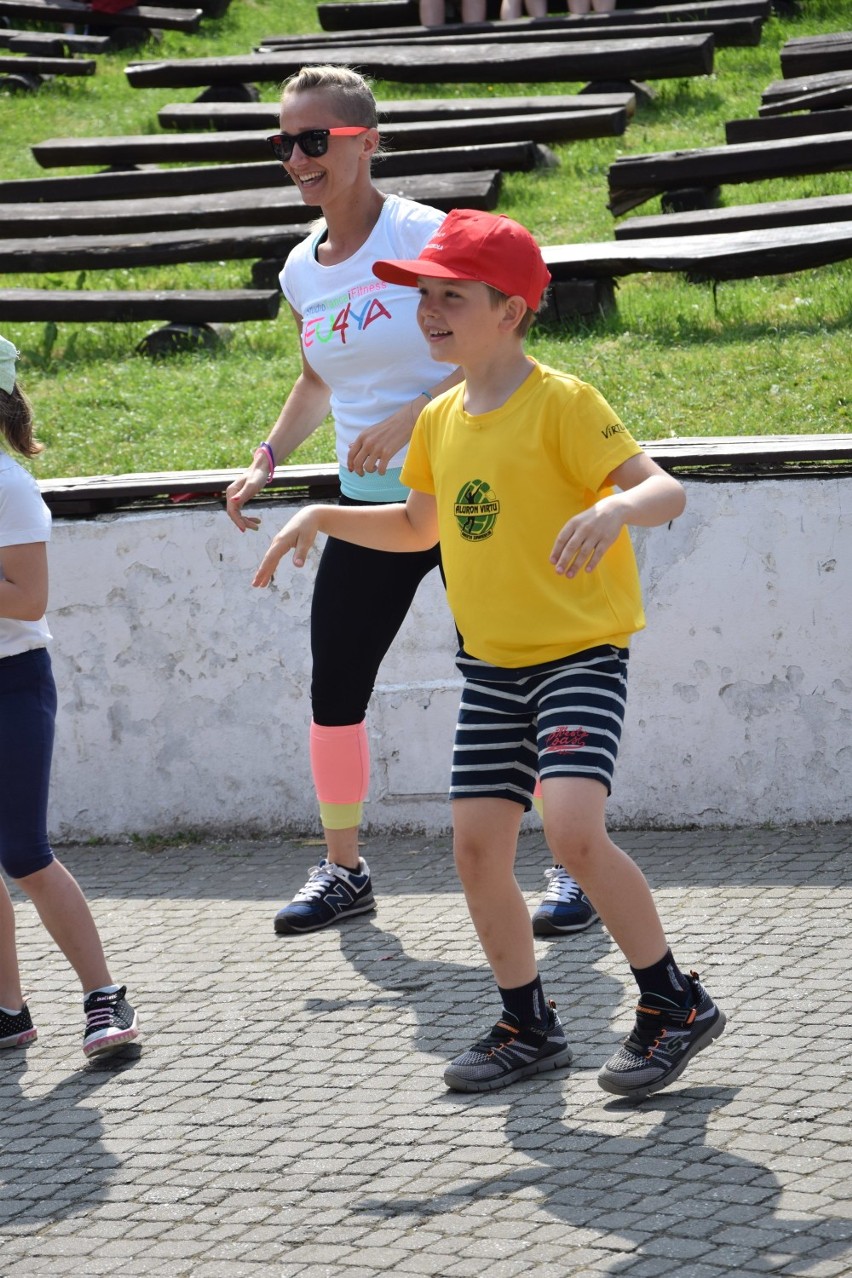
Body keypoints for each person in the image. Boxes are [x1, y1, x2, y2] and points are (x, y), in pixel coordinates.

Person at [250, 209, 726, 1100]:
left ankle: (673, 1003)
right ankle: (527, 1024)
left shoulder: (565, 402)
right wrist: (317, 514)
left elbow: (665, 490)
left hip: (579, 655)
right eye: (423, 296)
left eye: (450, 298)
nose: (429, 313)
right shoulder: (437, 419)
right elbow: (416, 525)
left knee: (575, 833)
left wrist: (616, 510)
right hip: (493, 670)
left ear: (510, 311)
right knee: (476, 852)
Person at [225, 65, 592, 938]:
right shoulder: (299, 268)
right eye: (284, 142)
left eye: (316, 140)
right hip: (374, 505)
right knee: (336, 683)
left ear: (367, 143)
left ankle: (568, 868)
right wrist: (270, 457)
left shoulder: (424, 233)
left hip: (472, 496)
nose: (298, 158)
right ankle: (344, 870)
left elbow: (502, 331)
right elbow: (318, 376)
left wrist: (409, 417)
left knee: (513, 681)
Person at [0, 335, 139, 1060]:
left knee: (23, 853)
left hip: (12, 684)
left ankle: (103, 994)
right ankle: (8, 1009)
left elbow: (28, 600)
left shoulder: (8, 486)